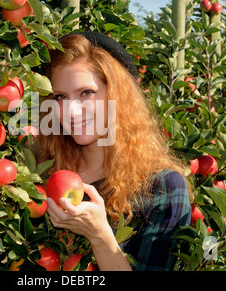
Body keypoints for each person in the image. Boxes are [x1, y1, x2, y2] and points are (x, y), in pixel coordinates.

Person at [31, 32, 193, 271]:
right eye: (60, 97)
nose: (71, 111)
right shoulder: (40, 170)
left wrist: (100, 236)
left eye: (86, 93)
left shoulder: (162, 187)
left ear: (115, 96)